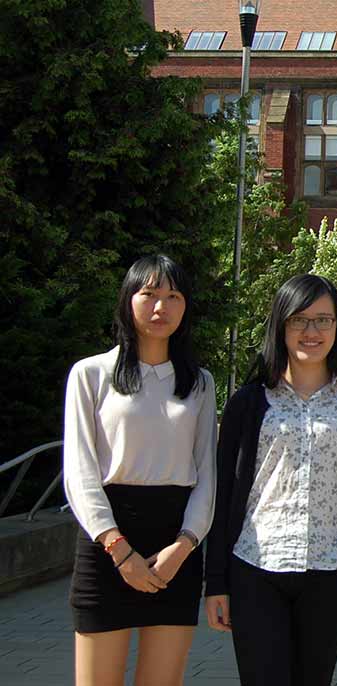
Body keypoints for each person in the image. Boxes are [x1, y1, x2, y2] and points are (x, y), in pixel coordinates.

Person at [204, 274, 337, 686]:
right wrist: (215, 581)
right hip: (256, 565)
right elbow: (225, 491)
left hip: (331, 569)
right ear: (280, 325)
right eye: (299, 320)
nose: (312, 331)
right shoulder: (249, 402)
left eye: (324, 320)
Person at [63, 255, 216, 686]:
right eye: (148, 294)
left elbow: (207, 474)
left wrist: (184, 546)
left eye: (173, 296)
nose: (160, 307)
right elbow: (79, 470)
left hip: (176, 545)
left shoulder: (199, 383)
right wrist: (118, 548)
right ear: (128, 299)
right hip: (108, 541)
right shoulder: (90, 374)